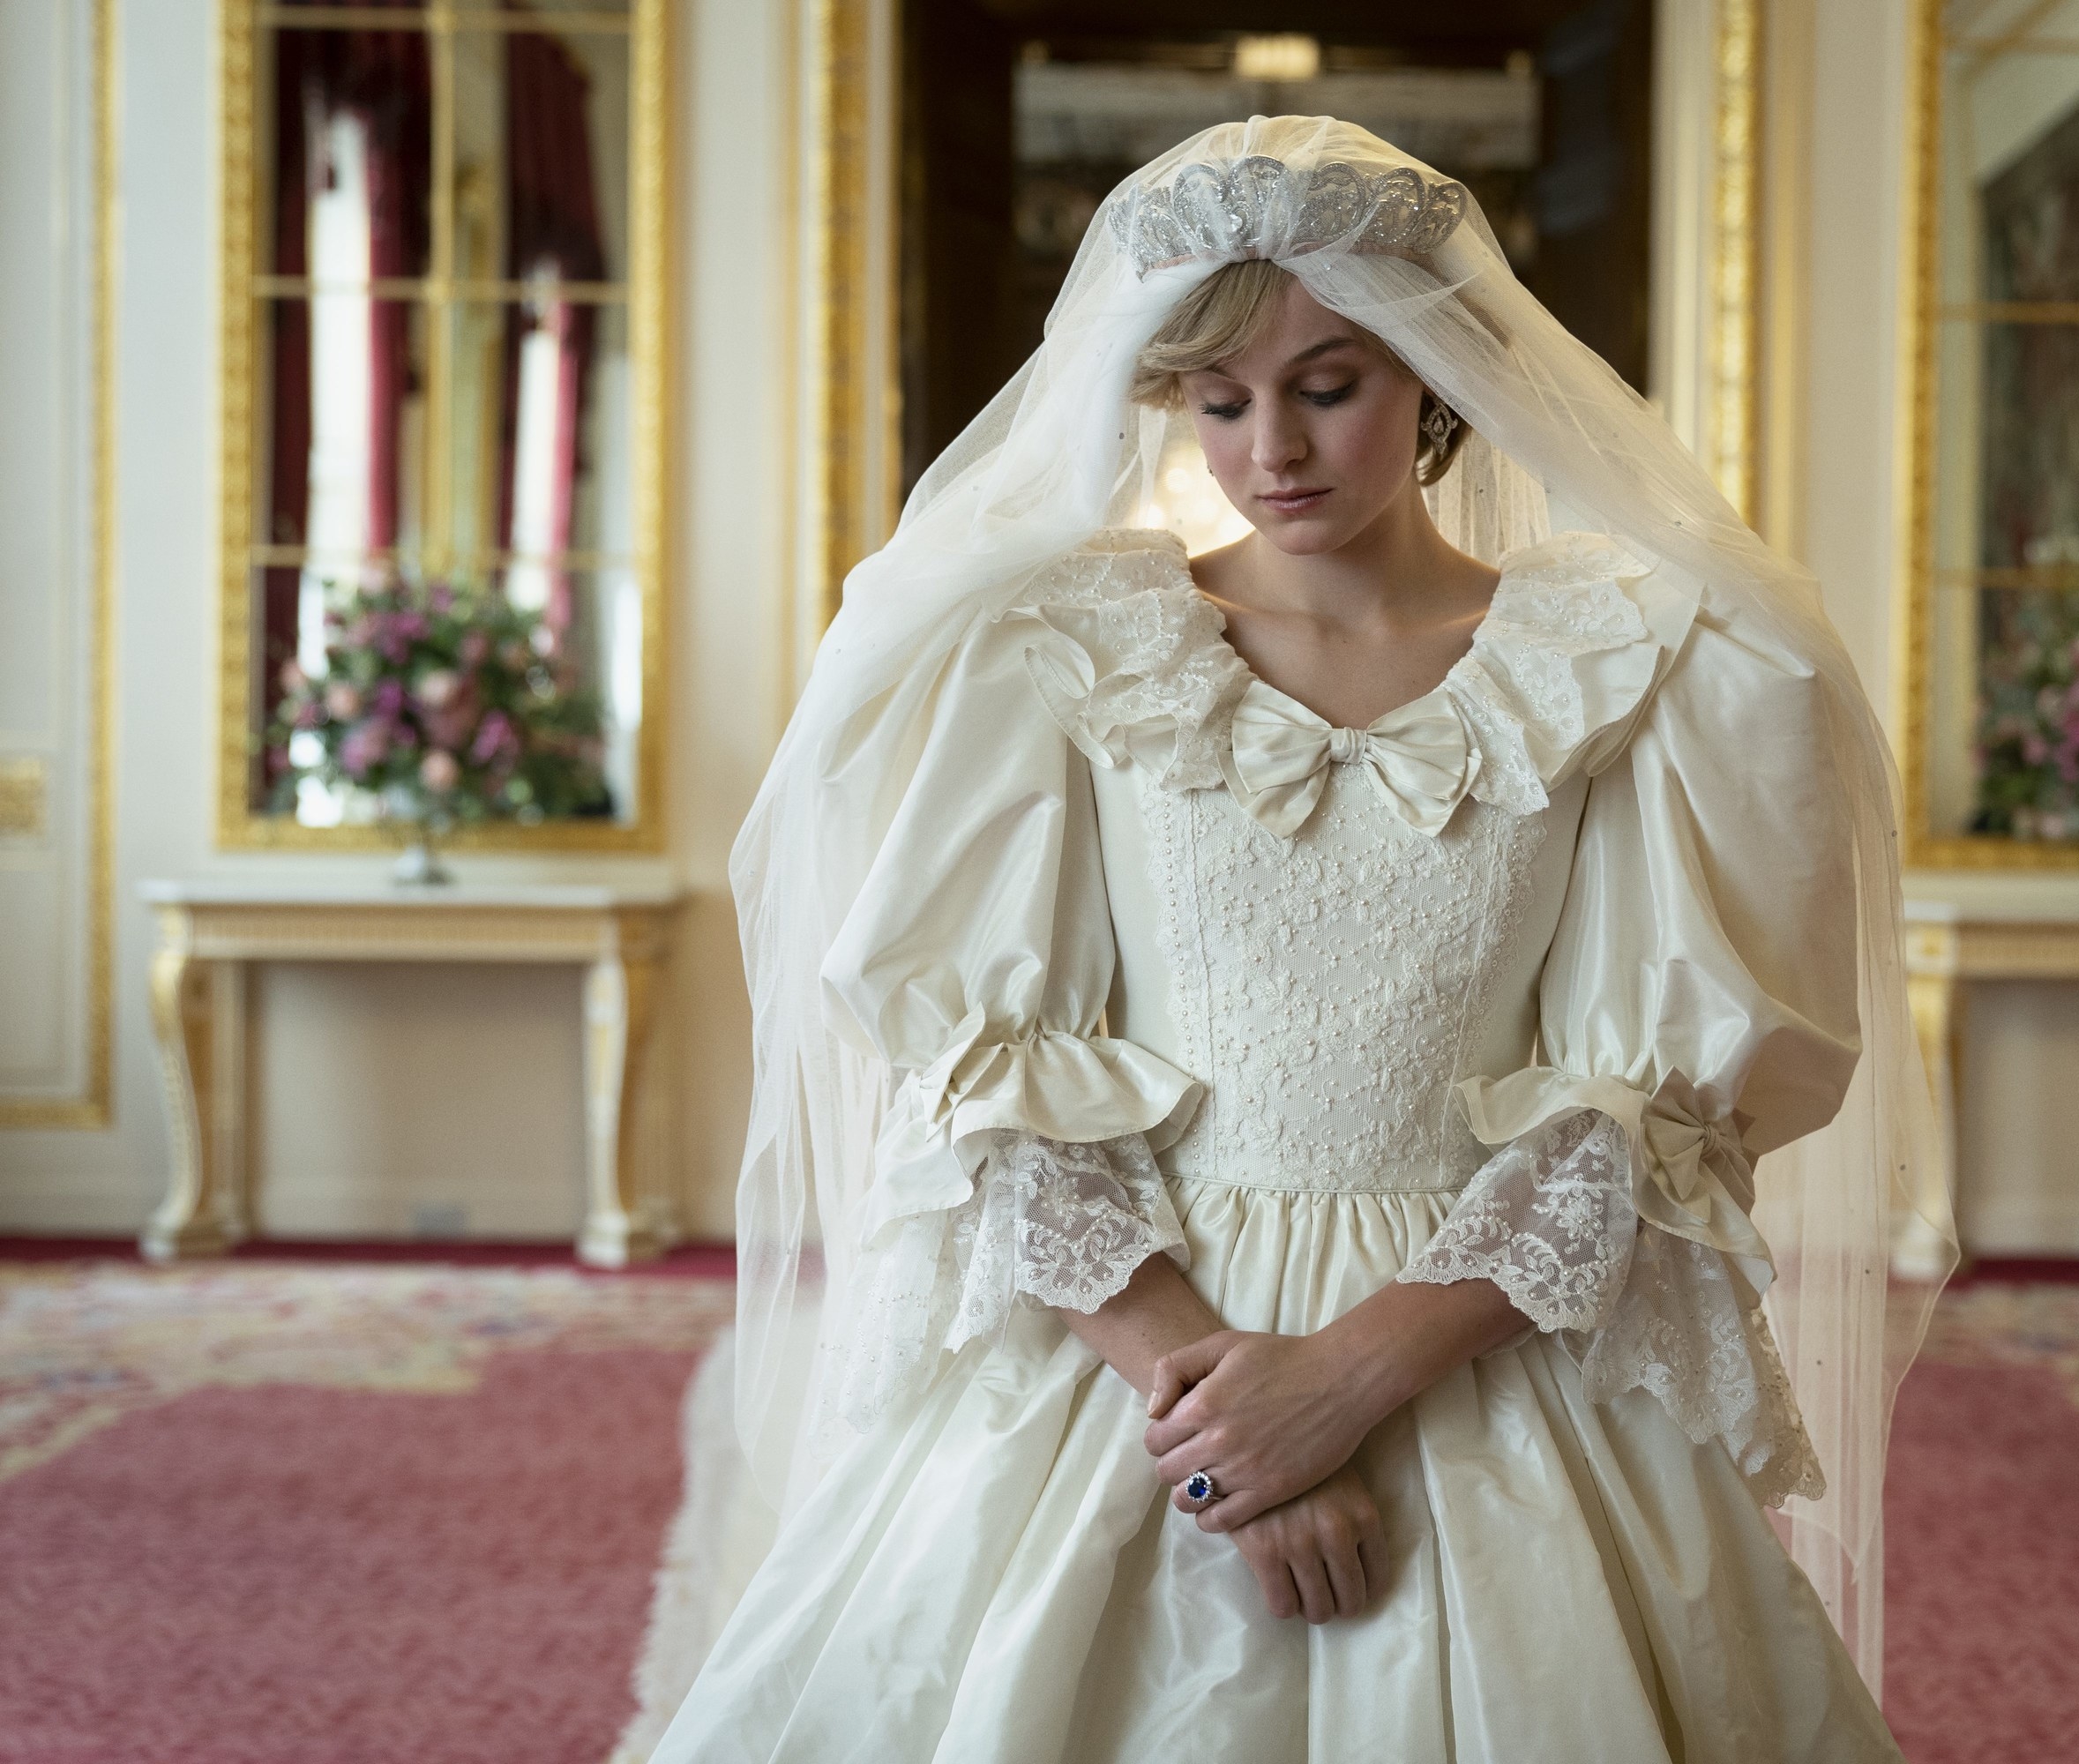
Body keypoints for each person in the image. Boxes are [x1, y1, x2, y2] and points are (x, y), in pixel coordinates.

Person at [658, 116, 1950, 1762]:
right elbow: (987, 1087)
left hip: (1481, 1336)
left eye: (1328, 384)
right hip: (1130, 1338)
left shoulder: (1632, 660)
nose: (1271, 445)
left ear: (1433, 381)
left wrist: (1348, 1381)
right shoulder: (1065, 646)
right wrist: (1222, 1432)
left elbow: (1646, 1115)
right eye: (1218, 400)